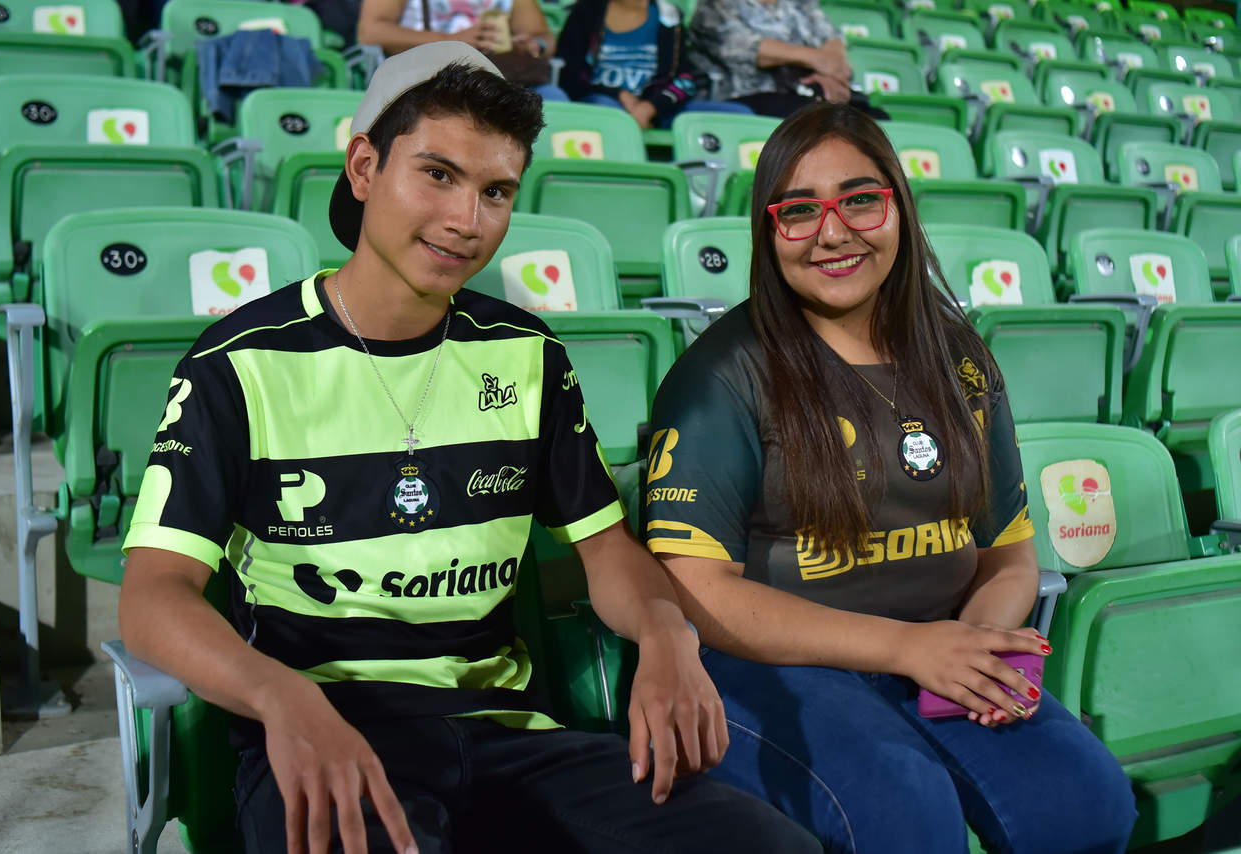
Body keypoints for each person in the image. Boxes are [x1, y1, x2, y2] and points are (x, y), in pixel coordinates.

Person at [117, 42, 823, 854]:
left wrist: (667, 633)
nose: (467, 221)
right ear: (363, 167)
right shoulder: (238, 363)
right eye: (438, 175)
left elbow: (606, 551)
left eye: (496, 192)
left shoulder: (527, 353)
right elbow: (154, 595)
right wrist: (281, 698)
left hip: (509, 737)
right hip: (325, 736)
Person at [641, 102, 1137, 854]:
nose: (833, 232)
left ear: (899, 207)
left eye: (860, 200)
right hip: (771, 666)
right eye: (798, 211)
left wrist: (975, 645)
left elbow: (1007, 554)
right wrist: (908, 649)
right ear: (768, 233)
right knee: (906, 819)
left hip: (937, 646)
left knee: (1088, 805)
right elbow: (697, 591)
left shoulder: (960, 357)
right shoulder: (720, 373)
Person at [554, 0, 752, 129]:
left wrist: (651, 107)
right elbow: (568, 78)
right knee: (610, 112)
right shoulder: (587, 11)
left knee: (740, 116)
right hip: (600, 104)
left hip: (658, 109)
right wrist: (617, 95)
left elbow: (685, 80)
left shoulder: (669, 16)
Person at [358, 0, 570, 101]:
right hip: (423, 80)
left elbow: (544, 38)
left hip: (497, 81)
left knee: (553, 98)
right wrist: (450, 41)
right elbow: (371, 32)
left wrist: (534, 45)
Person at [687, 0, 857, 118]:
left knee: (862, 115)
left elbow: (832, 40)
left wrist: (829, 75)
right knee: (811, 116)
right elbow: (750, 49)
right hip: (741, 99)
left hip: (800, 94)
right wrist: (817, 60)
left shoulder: (800, 3)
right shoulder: (715, 6)